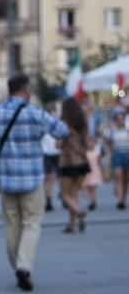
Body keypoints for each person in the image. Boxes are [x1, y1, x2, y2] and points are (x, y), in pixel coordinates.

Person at [0, 74, 68, 292]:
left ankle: (16, 265)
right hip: (32, 178)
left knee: (11, 223)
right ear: (26, 91)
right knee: (32, 222)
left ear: (9, 90)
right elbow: (61, 130)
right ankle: (24, 266)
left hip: (6, 179)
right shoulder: (34, 113)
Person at [58, 98, 92, 234]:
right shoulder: (83, 125)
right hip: (82, 163)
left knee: (64, 195)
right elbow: (89, 145)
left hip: (68, 163)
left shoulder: (64, 125)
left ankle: (79, 212)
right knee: (74, 194)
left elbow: (59, 144)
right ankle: (72, 224)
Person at [106, 107, 129, 209]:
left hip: (127, 153)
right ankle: (119, 199)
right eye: (117, 116)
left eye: (121, 116)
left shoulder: (127, 127)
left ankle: (123, 198)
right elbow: (108, 142)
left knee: (126, 178)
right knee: (118, 177)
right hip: (117, 154)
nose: (119, 118)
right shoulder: (111, 129)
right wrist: (110, 152)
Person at [40, 105, 61, 211]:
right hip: (46, 153)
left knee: (60, 177)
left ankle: (64, 196)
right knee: (48, 178)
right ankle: (48, 199)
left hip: (58, 153)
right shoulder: (42, 125)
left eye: (54, 112)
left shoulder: (59, 124)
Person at [84, 135, 104, 212]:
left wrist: (102, 172)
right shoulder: (84, 153)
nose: (90, 144)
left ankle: (92, 201)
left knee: (92, 188)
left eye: (92, 143)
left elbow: (99, 163)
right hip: (87, 173)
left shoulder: (96, 153)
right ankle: (91, 200)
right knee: (87, 188)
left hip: (94, 172)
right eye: (88, 143)